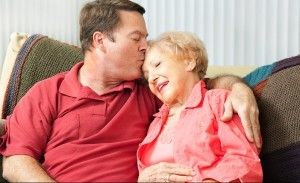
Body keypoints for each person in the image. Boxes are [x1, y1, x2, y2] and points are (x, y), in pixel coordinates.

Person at [0, 0, 260, 182]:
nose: (146, 47)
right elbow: (16, 162)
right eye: (137, 38)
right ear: (100, 41)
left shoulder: (150, 91)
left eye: (146, 39)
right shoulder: (47, 92)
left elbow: (202, 86)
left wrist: (238, 88)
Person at [137, 31, 262, 182]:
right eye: (147, 75)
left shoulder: (218, 102)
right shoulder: (155, 123)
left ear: (189, 61)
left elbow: (244, 161)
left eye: (157, 65)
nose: (152, 78)